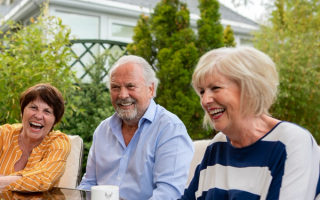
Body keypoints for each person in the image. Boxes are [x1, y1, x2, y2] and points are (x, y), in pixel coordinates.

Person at [180, 46, 320, 200]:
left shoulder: (290, 143)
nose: (205, 100)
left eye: (215, 88)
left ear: (250, 89)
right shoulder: (217, 146)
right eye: (202, 91)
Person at [77, 55, 194, 200]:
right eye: (115, 87)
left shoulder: (170, 129)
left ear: (151, 89)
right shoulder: (103, 129)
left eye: (130, 86)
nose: (122, 95)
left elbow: (168, 193)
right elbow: (89, 184)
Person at [0, 83, 71, 192]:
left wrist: (3, 181)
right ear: (22, 111)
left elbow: (44, 178)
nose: (38, 116)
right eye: (33, 107)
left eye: (47, 111)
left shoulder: (59, 142)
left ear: (55, 121)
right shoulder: (3, 134)